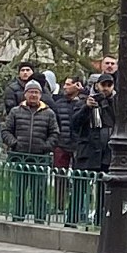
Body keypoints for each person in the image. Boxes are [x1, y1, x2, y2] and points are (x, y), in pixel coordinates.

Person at [2, 80, 59, 222]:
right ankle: (18, 216)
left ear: (40, 95)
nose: (33, 95)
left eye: (36, 92)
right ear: (25, 94)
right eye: (31, 92)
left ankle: (39, 218)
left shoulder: (49, 113)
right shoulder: (15, 111)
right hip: (19, 157)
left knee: (39, 190)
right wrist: (14, 143)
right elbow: (6, 131)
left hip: (40, 158)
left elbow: (55, 133)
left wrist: (45, 146)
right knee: (19, 190)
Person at [70, 73, 118, 226]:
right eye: (103, 85)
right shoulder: (84, 101)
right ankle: (72, 219)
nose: (106, 88)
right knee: (79, 187)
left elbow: (118, 122)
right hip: (87, 151)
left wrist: (107, 103)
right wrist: (87, 107)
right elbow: (74, 124)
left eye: (109, 85)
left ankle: (100, 221)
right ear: (97, 85)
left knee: (104, 190)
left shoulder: (116, 103)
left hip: (106, 152)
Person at [51, 75, 84, 216]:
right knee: (60, 175)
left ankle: (78, 207)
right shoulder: (59, 103)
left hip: (78, 144)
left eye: (68, 84)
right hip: (62, 143)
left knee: (80, 177)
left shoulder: (83, 102)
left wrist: (83, 92)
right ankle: (59, 205)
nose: (65, 87)